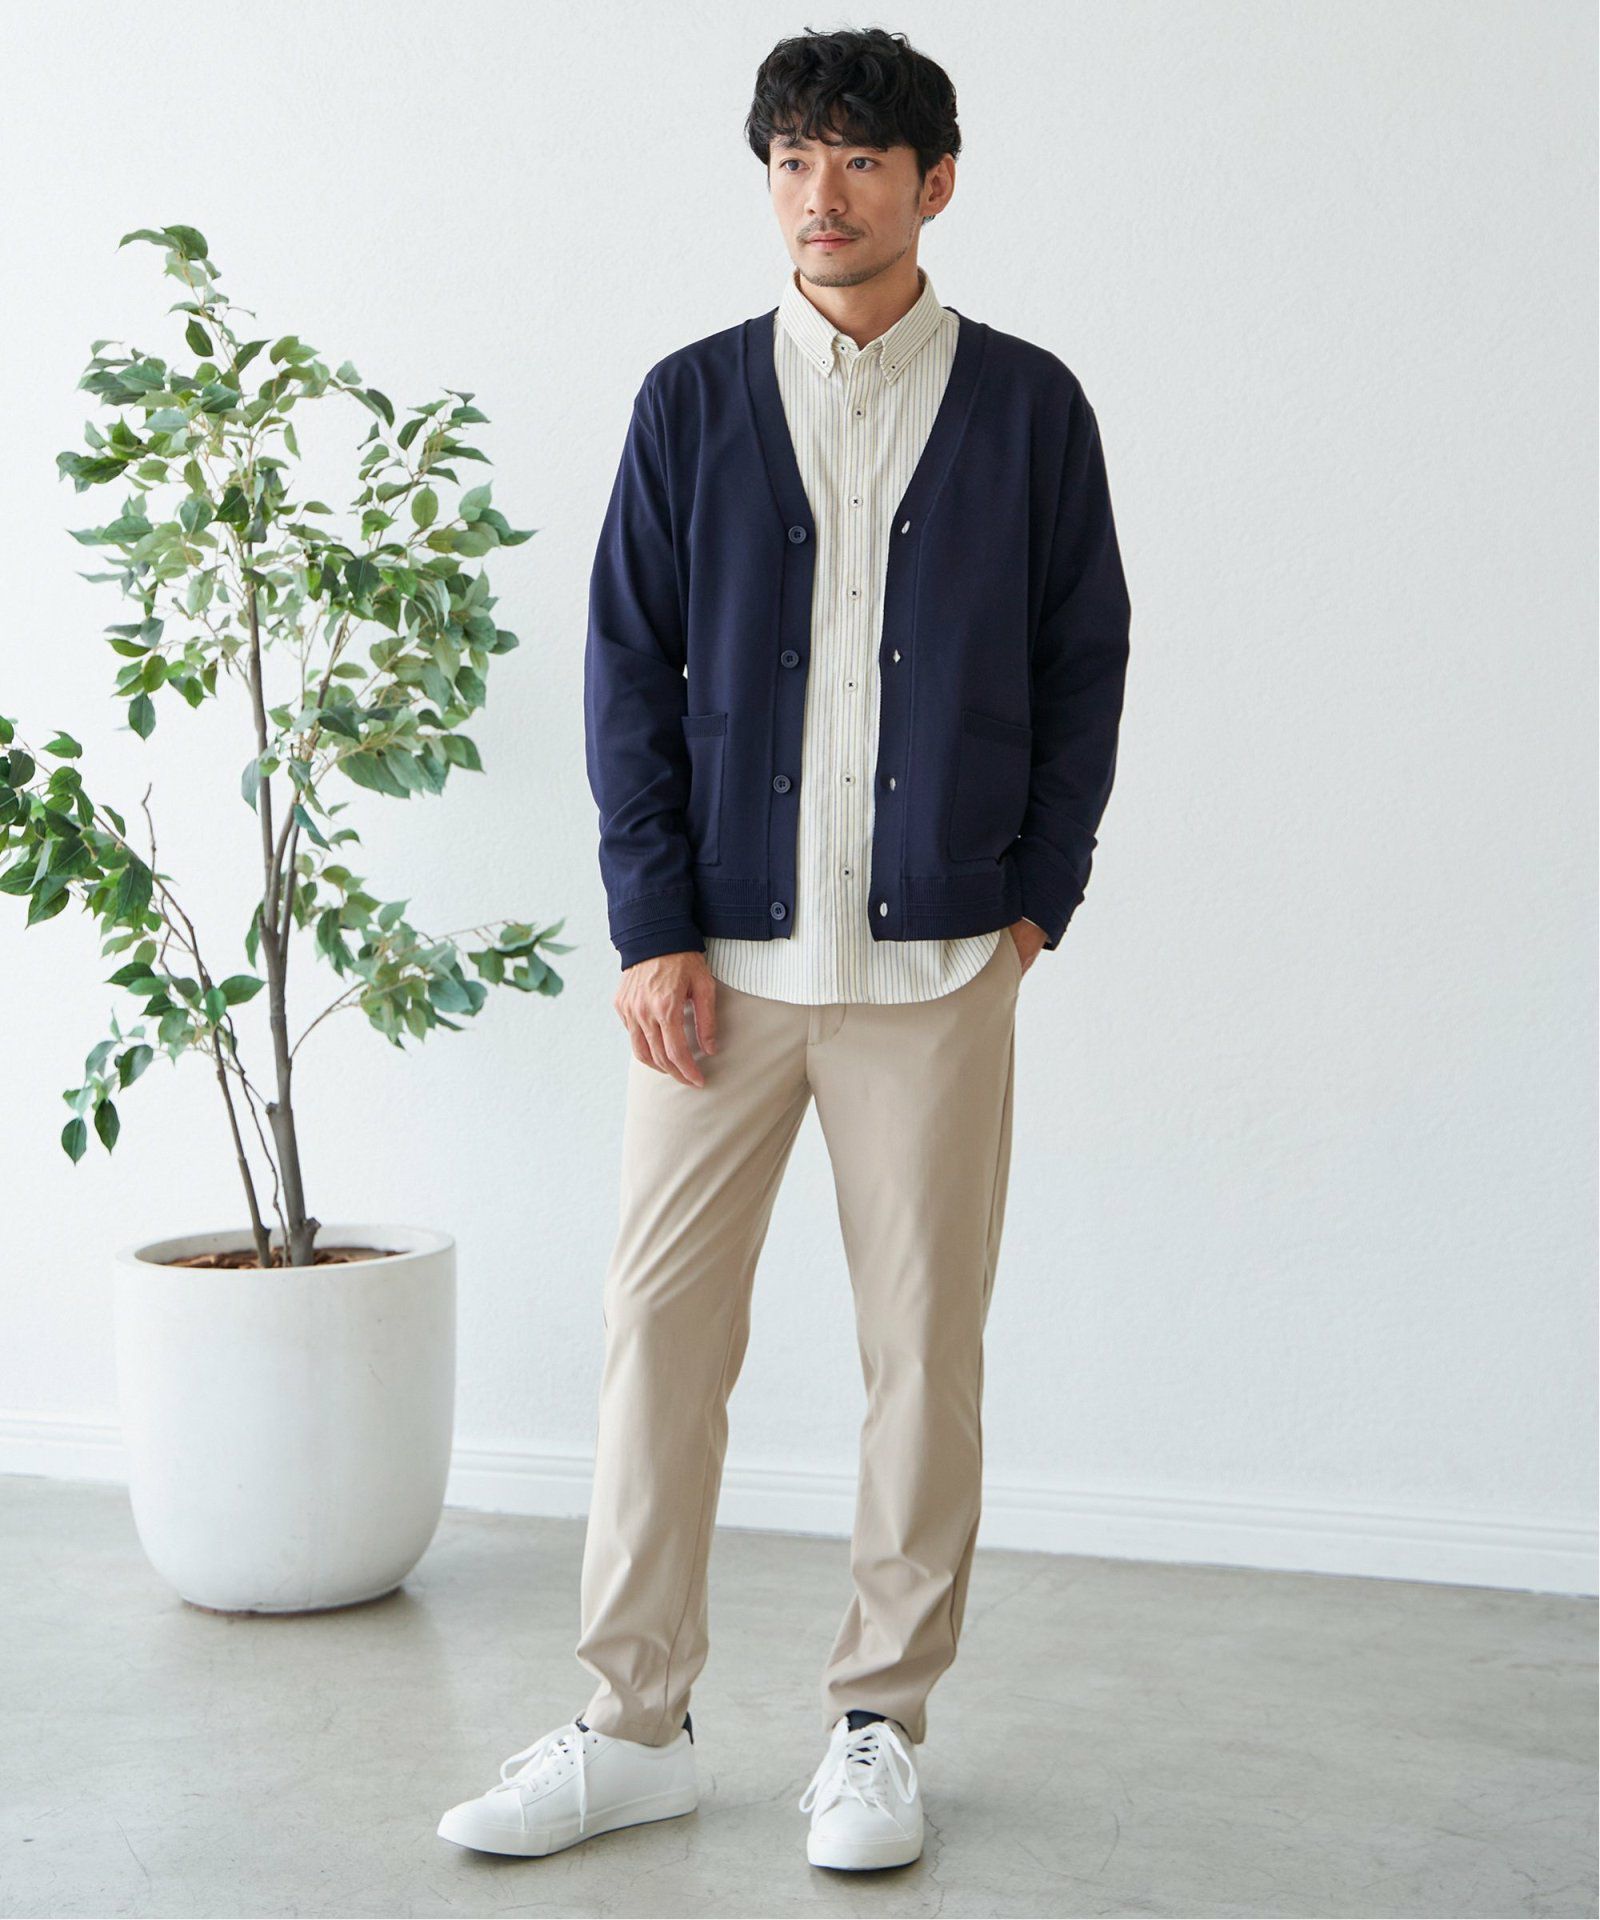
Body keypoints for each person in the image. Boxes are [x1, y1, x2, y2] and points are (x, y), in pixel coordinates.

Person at [438, 22, 1131, 1871]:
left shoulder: (1031, 407)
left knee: (924, 1354)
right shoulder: (690, 401)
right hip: (720, 976)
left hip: (936, 971)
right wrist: (652, 924)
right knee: (658, 1337)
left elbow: (1085, 658)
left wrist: (1036, 891)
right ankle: (631, 1723)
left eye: (859, 162)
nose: (821, 197)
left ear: (935, 183)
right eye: (793, 162)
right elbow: (624, 675)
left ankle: (879, 1725)